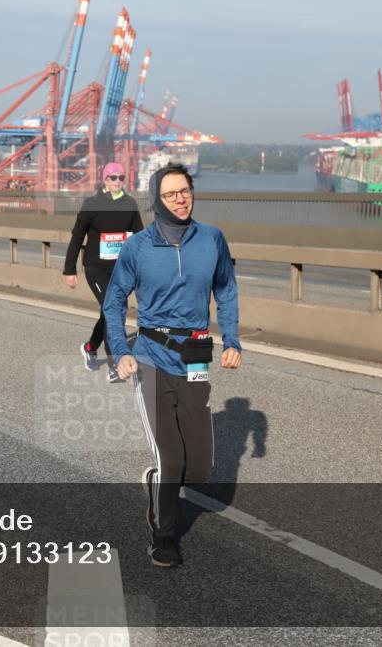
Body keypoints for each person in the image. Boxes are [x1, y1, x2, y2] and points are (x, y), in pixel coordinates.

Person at [102, 163, 242, 568]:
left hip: (196, 357)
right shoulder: (138, 248)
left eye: (186, 191)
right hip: (150, 355)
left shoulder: (212, 239)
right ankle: (163, 535)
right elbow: (114, 302)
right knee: (171, 457)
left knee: (198, 469)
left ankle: (155, 485)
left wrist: (231, 339)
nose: (181, 199)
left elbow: (226, 290)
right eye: (171, 194)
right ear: (156, 200)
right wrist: (120, 350)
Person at [63, 162, 143, 382]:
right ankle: (114, 365)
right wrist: (69, 270)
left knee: (109, 312)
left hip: (122, 269)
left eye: (121, 178)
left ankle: (90, 347)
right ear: (105, 180)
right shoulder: (92, 204)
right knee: (114, 309)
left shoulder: (130, 203)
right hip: (96, 268)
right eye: (113, 177)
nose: (118, 182)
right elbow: (77, 235)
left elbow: (139, 237)